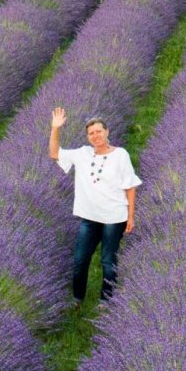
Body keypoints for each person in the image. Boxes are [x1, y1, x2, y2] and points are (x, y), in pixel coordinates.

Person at [48, 106, 141, 304]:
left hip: (114, 218)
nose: (95, 135)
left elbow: (130, 186)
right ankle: (77, 299)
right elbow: (54, 153)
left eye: (98, 131)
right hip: (89, 218)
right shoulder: (82, 154)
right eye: (91, 133)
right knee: (80, 261)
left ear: (107, 132)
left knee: (108, 262)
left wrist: (130, 216)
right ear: (88, 137)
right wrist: (55, 128)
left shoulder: (120, 155)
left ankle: (105, 302)